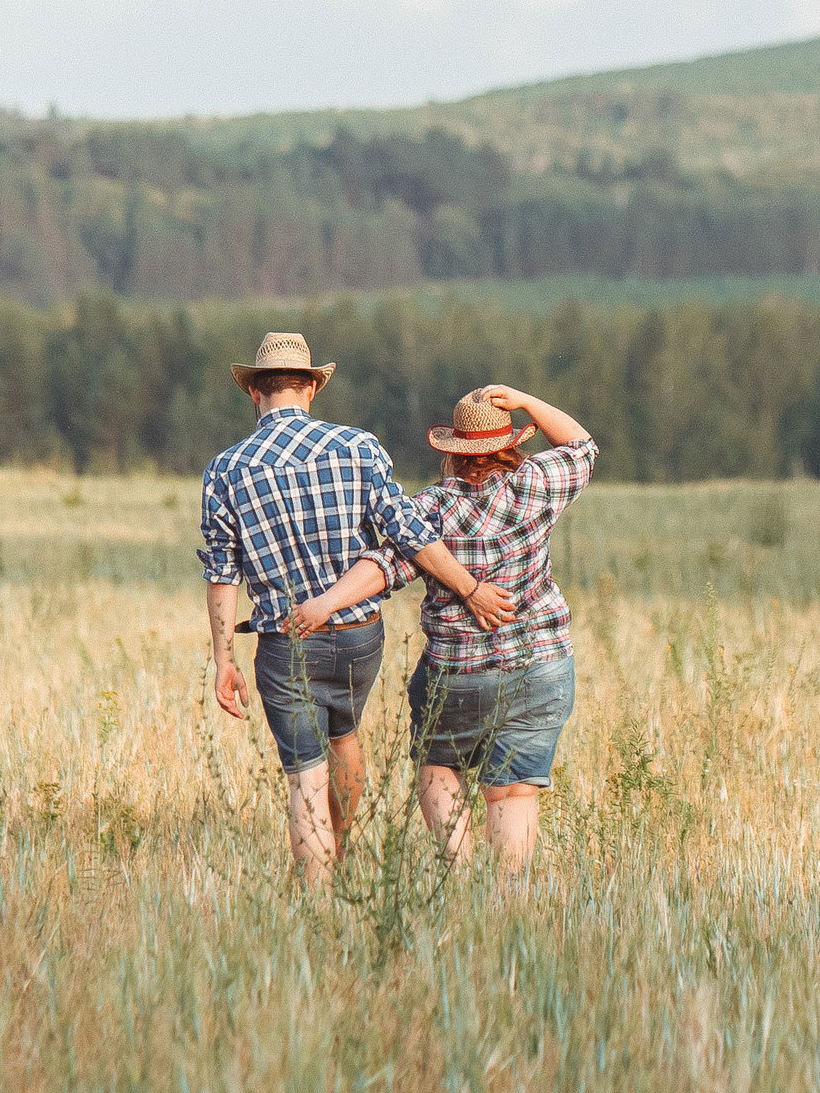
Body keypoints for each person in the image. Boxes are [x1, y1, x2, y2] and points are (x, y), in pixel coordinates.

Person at [199, 332, 513, 888]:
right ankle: (340, 850)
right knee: (344, 736)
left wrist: (224, 659)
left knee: (305, 779)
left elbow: (222, 572)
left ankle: (317, 897)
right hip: (358, 637)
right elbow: (409, 533)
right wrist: (471, 590)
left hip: (284, 643)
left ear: (254, 392)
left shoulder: (225, 470)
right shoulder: (359, 447)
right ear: (312, 388)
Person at [304, 383, 594, 874]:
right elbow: (582, 445)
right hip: (541, 667)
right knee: (513, 792)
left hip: (457, 676)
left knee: (438, 766)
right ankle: (507, 902)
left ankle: (456, 884)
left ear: (454, 451)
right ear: (510, 444)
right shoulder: (537, 484)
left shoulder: (430, 508)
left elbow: (382, 566)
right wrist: (525, 400)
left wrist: (326, 603)